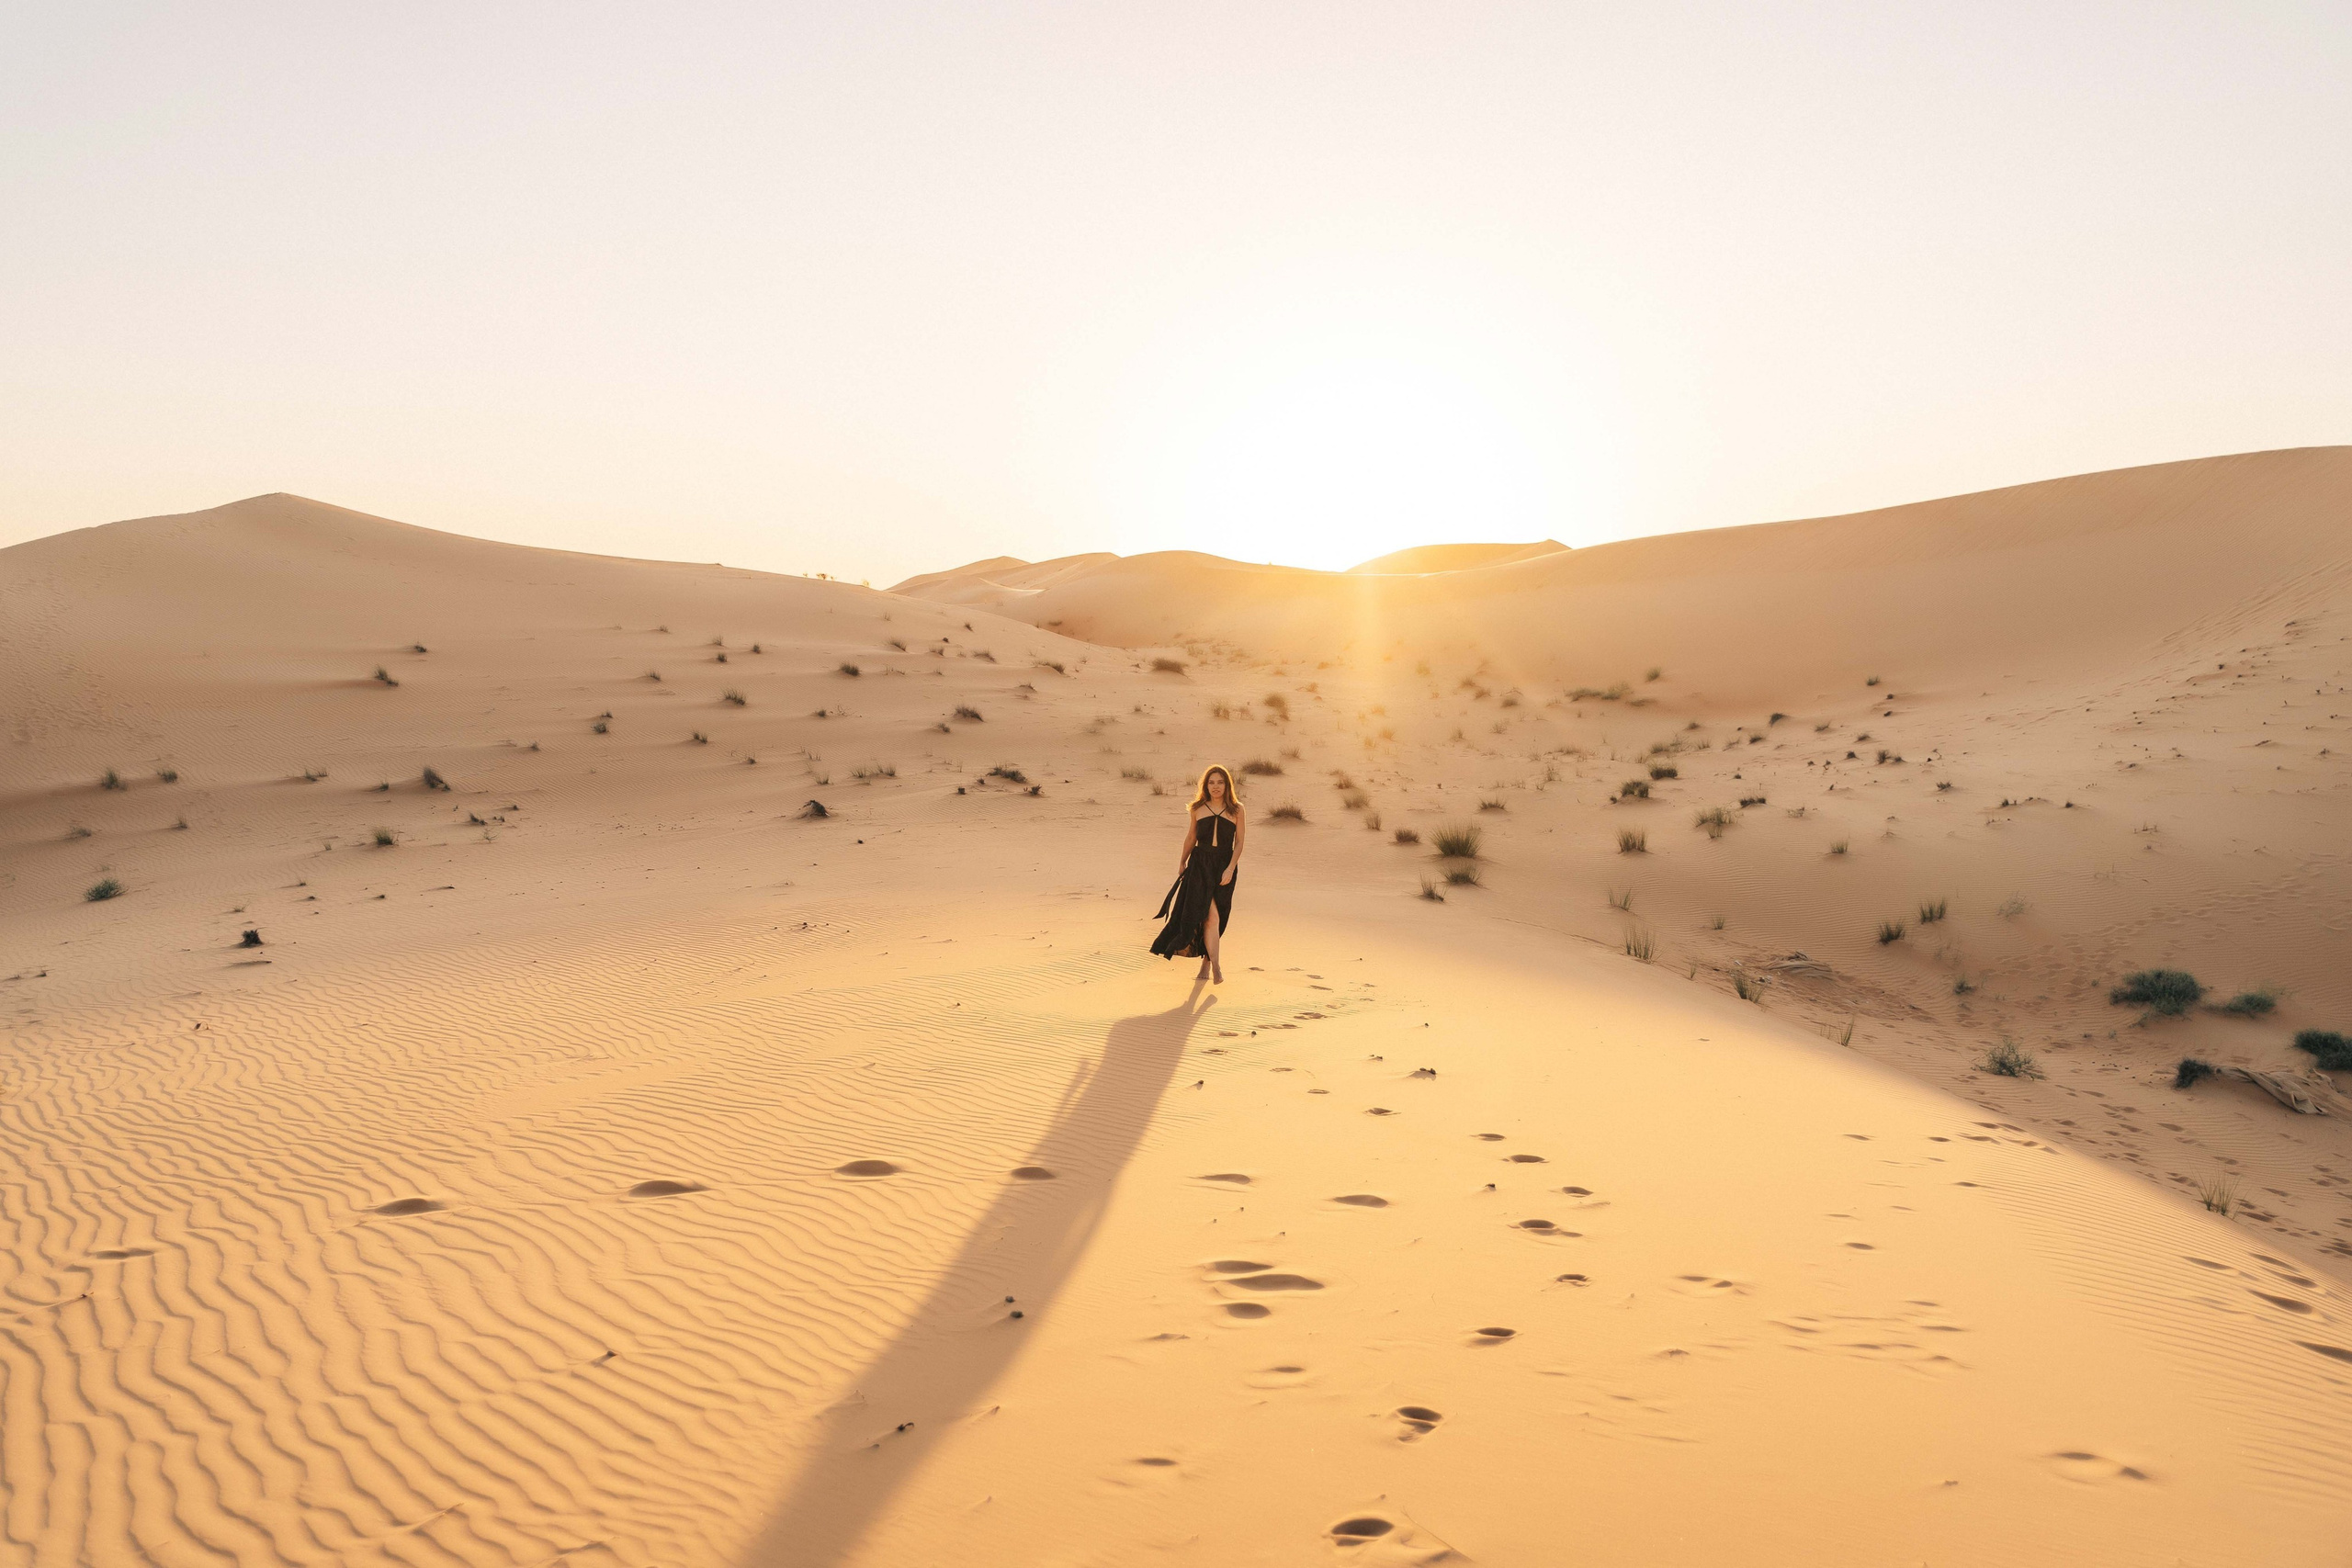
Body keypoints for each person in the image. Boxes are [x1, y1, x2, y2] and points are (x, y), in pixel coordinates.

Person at [1150, 763, 1245, 982]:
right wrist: (1182, 861)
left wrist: (1230, 868)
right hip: (1199, 865)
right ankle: (1217, 968)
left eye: (1220, 782)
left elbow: (1239, 842)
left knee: (1218, 918)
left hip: (1224, 866)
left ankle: (1206, 962)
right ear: (1206, 785)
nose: (1216, 787)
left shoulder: (1237, 809)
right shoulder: (1197, 808)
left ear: (1227, 785)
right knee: (1208, 916)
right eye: (1211, 782)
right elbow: (1191, 837)